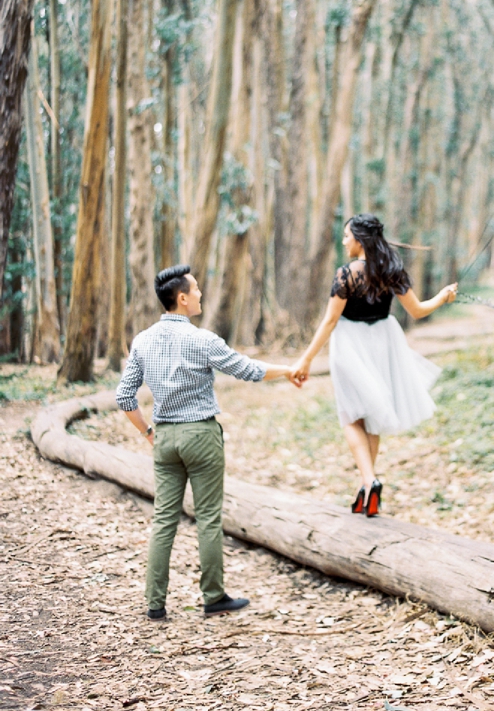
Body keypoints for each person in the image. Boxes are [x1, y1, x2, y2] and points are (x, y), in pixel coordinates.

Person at [116, 264, 302, 621]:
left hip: (165, 438)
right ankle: (213, 597)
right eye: (197, 289)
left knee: (164, 519)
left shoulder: (142, 340)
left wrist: (149, 433)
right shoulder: (202, 340)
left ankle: (155, 604)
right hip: (201, 435)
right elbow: (247, 369)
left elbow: (125, 398)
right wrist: (288, 370)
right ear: (182, 298)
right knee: (208, 519)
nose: (201, 294)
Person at [293, 214, 458, 517]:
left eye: (346, 236)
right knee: (372, 415)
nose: (344, 241)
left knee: (351, 416)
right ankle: (368, 486)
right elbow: (419, 310)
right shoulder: (391, 270)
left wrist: (305, 359)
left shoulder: (346, 274)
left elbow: (330, 320)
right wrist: (442, 298)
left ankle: (369, 481)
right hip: (383, 343)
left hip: (350, 345)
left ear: (358, 238)